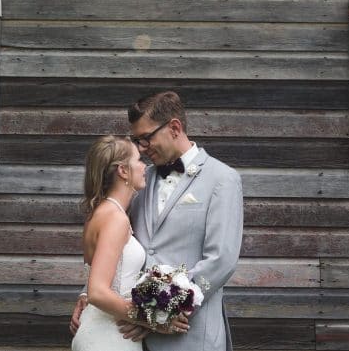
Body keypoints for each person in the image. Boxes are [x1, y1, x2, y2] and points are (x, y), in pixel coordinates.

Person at [72, 91, 244, 351]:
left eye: (146, 138)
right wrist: (88, 293)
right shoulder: (140, 180)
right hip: (133, 337)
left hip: (190, 335)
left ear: (174, 127)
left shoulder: (223, 179)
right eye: (136, 141)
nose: (142, 148)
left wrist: (160, 311)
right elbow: (114, 247)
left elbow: (221, 260)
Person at [71, 135, 189, 351]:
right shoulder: (115, 218)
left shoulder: (101, 213)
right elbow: (97, 292)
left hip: (102, 330)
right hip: (108, 338)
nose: (145, 166)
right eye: (138, 160)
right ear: (123, 171)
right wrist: (155, 320)